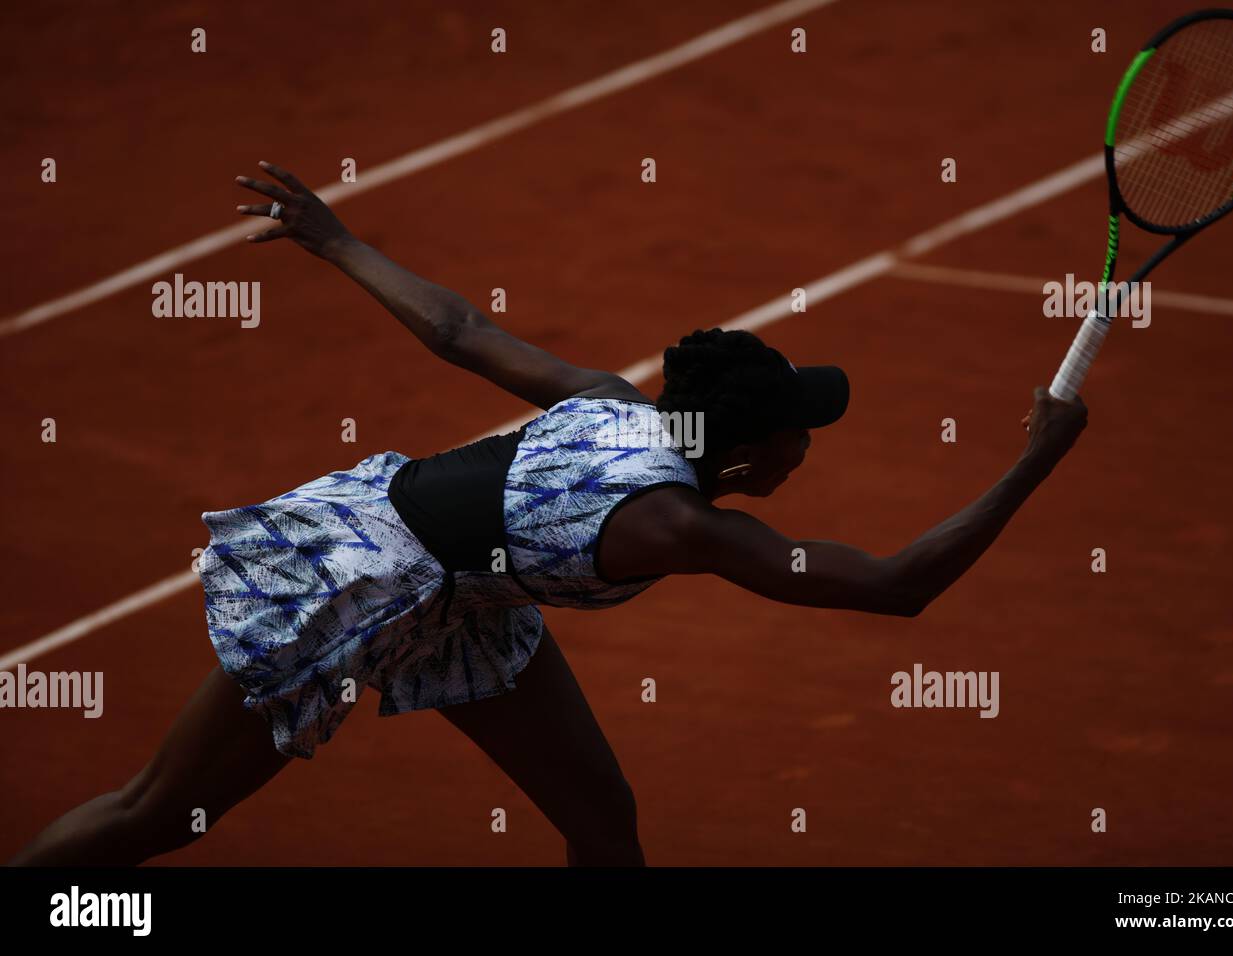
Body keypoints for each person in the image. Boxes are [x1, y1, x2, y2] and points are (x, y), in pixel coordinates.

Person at [7, 162, 1087, 867]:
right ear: (752, 459)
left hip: (469, 593)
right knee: (159, 810)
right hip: (358, 574)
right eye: (800, 430)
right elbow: (900, 588)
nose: (811, 441)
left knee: (602, 822)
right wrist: (1033, 462)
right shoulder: (682, 525)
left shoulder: (620, 406)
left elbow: (461, 329)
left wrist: (339, 242)